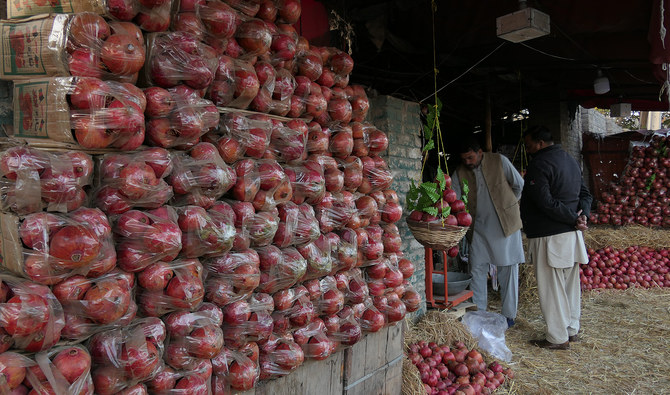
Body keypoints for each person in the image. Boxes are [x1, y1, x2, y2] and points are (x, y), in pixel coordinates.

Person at [520, 125, 592, 350]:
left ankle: (557, 337)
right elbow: (585, 194)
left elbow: (545, 202)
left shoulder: (539, 164)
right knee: (570, 285)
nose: (528, 149)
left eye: (529, 144)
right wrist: (583, 217)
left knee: (551, 288)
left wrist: (574, 219)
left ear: (540, 143)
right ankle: (571, 330)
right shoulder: (569, 160)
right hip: (570, 236)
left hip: (549, 235)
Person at [451, 135, 525, 328]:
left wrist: (508, 206)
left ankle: (509, 316)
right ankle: (479, 313)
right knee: (476, 269)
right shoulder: (459, 172)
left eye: (471, 158)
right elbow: (453, 199)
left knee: (508, 271)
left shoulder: (500, 161)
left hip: (505, 226)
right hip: (478, 229)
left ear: (480, 153)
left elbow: (519, 184)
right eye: (464, 159)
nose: (468, 162)